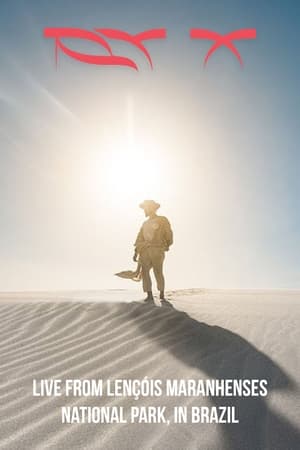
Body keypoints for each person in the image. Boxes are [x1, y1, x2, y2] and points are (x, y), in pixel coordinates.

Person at [134, 200, 173, 303]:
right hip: (145, 250)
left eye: (146, 208)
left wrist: (167, 244)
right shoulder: (145, 223)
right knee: (145, 272)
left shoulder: (162, 219)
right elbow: (139, 237)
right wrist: (136, 251)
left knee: (158, 271)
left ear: (152, 208)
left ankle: (161, 293)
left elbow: (168, 233)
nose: (144, 211)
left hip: (157, 249)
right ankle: (149, 294)